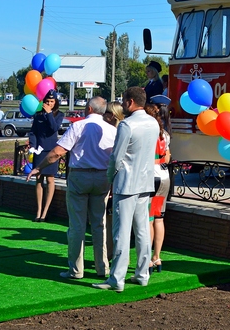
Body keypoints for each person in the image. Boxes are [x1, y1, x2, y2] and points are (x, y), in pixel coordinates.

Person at [27, 97, 117, 279]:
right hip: (102, 178)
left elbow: (58, 152)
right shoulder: (112, 130)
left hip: (80, 176)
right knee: (99, 224)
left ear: (90, 109)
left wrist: (38, 167)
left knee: (77, 226)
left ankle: (76, 270)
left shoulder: (78, 126)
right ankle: (102, 268)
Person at [97, 86, 160, 291]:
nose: (123, 104)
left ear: (130, 102)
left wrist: (109, 178)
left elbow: (116, 157)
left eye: (124, 100)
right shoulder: (153, 123)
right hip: (145, 182)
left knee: (121, 232)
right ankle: (142, 273)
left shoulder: (127, 125)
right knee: (141, 230)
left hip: (126, 183)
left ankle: (117, 279)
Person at [146, 100, 172, 273]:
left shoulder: (147, 132)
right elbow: (168, 159)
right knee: (159, 217)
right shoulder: (166, 135)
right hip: (164, 177)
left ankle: (147, 258)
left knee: (148, 219)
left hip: (150, 176)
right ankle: (157, 257)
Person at [29, 92, 64, 222]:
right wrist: (33, 145)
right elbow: (33, 132)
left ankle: (45, 212)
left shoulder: (59, 115)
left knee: (50, 179)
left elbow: (54, 128)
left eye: (52, 102)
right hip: (39, 150)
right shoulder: (38, 115)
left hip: (51, 151)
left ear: (56, 103)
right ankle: (38, 211)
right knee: (38, 179)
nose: (49, 104)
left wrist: (49, 113)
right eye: (47, 101)